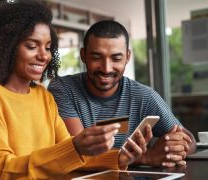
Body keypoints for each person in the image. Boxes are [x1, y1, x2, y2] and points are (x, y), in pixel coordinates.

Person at [0, 1, 152, 179]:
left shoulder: (43, 96)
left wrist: (119, 158)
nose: (44, 56)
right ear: (6, 47)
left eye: (49, 48)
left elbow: (68, 154)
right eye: (32, 46)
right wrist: (74, 148)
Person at [48, 20, 196, 168]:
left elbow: (189, 141)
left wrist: (173, 147)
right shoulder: (63, 89)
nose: (106, 68)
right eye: (96, 57)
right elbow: (79, 154)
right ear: (83, 55)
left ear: (127, 57)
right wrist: (146, 157)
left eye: (116, 58)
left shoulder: (144, 96)